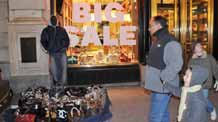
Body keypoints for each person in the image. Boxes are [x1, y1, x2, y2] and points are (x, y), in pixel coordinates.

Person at [144, 16, 183, 122]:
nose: (149, 28)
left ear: (158, 26)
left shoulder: (170, 41)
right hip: (157, 86)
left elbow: (177, 64)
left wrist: (163, 78)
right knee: (163, 113)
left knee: (155, 116)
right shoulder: (159, 39)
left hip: (163, 86)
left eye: (151, 26)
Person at [188, 40, 218, 120]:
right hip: (194, 84)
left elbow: (215, 69)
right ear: (193, 49)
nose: (200, 47)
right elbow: (188, 71)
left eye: (200, 45)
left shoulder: (209, 57)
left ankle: (212, 110)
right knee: (197, 100)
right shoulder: (192, 60)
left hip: (205, 83)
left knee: (203, 99)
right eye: (197, 46)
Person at [40, 15, 70, 89]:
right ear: (50, 21)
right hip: (53, 53)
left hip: (62, 52)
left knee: (63, 69)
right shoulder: (46, 30)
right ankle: (57, 83)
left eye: (55, 19)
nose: (54, 21)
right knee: (54, 69)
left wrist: (65, 47)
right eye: (53, 20)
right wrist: (47, 49)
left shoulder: (61, 30)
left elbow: (67, 39)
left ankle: (62, 85)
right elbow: (43, 41)